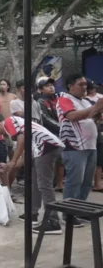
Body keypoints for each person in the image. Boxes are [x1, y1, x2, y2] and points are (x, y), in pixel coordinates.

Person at [0, 116, 65, 234]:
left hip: (45, 145)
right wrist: (10, 165)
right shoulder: (19, 125)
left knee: (44, 184)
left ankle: (53, 221)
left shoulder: (8, 122)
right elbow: (25, 157)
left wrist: (12, 161)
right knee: (35, 180)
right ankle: (32, 213)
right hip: (43, 147)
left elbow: (21, 140)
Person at [58, 73, 103, 226]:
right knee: (74, 181)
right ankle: (68, 214)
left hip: (90, 145)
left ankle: (80, 210)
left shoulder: (84, 101)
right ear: (71, 86)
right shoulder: (65, 99)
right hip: (74, 145)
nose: (85, 87)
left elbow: (93, 116)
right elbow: (71, 116)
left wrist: (97, 113)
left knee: (86, 182)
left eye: (86, 84)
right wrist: (95, 107)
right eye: (81, 84)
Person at [37, 77, 64, 191]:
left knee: (61, 160)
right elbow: (46, 119)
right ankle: (51, 183)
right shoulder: (40, 102)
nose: (51, 87)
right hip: (50, 134)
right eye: (47, 86)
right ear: (41, 89)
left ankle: (60, 184)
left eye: (51, 85)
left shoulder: (59, 99)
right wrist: (61, 127)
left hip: (62, 133)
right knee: (51, 160)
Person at [84, 80, 103, 192]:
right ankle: (91, 183)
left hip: (96, 130)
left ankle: (97, 183)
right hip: (86, 134)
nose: (94, 90)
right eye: (91, 88)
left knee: (99, 158)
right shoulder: (85, 101)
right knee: (87, 160)